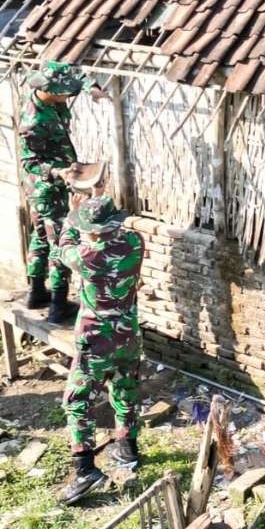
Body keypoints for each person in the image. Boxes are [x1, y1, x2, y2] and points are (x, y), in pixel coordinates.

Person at [56, 192, 145, 505]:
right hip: (129, 336)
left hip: (96, 341)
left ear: (93, 231)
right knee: (125, 387)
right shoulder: (135, 243)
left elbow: (62, 246)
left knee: (77, 401)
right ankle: (127, 446)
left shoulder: (86, 256)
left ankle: (85, 470)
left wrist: (71, 213)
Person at [18, 60, 110, 323]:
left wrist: (91, 87)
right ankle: (59, 304)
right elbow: (30, 163)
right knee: (59, 242)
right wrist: (60, 173)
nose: (69, 95)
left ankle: (36, 293)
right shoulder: (32, 122)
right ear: (50, 90)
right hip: (46, 188)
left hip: (52, 185)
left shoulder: (50, 92)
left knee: (39, 236)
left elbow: (72, 75)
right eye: (65, 93)